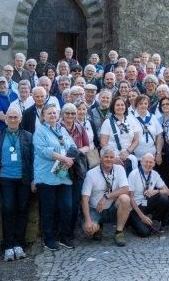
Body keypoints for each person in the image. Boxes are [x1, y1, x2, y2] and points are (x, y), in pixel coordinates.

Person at [33, 103, 75, 250]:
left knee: (67, 206)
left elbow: (71, 146)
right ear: (43, 116)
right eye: (49, 113)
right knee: (48, 209)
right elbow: (44, 151)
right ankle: (49, 238)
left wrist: (70, 159)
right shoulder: (40, 131)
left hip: (63, 174)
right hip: (46, 175)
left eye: (54, 113)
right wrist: (64, 159)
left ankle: (64, 236)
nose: (52, 115)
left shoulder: (62, 129)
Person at [0, 106, 33, 260]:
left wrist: (33, 179)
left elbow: (32, 159)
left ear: (20, 119)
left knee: (23, 210)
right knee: (8, 209)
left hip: (23, 178)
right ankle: (8, 246)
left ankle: (19, 244)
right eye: (9, 117)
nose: (12, 119)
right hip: (5, 178)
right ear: (5, 118)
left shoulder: (28, 136)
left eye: (15, 117)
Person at [81, 147, 132, 246]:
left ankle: (119, 232)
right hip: (95, 209)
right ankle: (98, 227)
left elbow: (125, 189)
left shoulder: (119, 169)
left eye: (111, 157)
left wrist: (106, 197)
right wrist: (87, 220)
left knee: (125, 198)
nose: (109, 159)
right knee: (89, 230)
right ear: (100, 158)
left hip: (112, 208)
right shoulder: (91, 174)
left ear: (114, 158)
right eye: (106, 157)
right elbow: (84, 199)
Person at [61, 102, 91, 236]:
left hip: (77, 167)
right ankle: (62, 230)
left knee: (74, 201)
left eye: (73, 113)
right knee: (63, 202)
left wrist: (75, 152)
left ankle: (71, 231)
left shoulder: (80, 127)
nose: (70, 115)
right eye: (67, 113)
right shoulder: (58, 127)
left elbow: (87, 146)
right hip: (62, 166)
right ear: (62, 114)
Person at [127, 152, 169, 233]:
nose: (148, 164)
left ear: (154, 164)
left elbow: (168, 192)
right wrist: (142, 216)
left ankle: (155, 221)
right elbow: (131, 198)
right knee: (144, 232)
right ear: (141, 162)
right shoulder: (134, 174)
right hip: (135, 207)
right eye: (146, 162)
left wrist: (156, 191)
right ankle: (132, 222)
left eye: (151, 162)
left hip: (146, 203)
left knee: (164, 198)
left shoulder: (155, 174)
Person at [99, 96, 138, 171]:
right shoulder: (107, 122)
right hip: (112, 158)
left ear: (125, 106)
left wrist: (128, 151)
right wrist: (113, 157)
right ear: (113, 107)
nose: (120, 107)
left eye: (122, 105)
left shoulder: (131, 120)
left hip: (128, 155)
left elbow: (136, 140)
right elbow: (103, 142)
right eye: (117, 105)